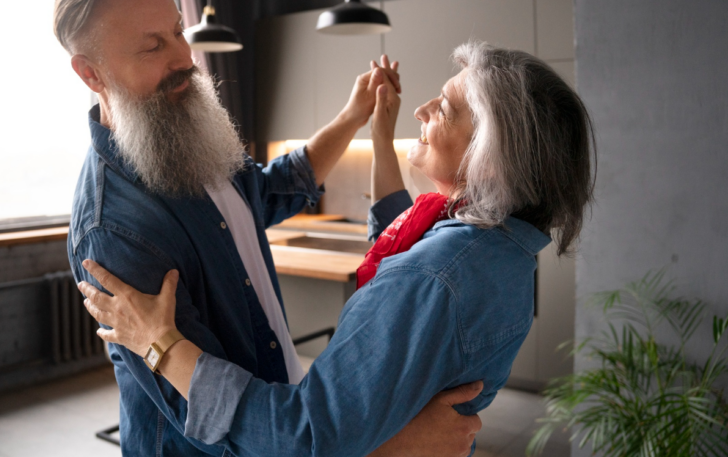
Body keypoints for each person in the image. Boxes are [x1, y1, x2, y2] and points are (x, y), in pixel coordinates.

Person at [77, 41, 597, 457]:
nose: (423, 108)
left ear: (490, 156)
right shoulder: (500, 250)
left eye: (445, 108)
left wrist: (159, 341)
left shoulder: (431, 277)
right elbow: (396, 238)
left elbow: (301, 438)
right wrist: (376, 127)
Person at [56, 0, 482, 456]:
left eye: (177, 31)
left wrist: (353, 116)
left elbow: (271, 189)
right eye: (152, 48)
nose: (184, 59)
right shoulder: (113, 230)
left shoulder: (181, 131)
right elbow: (212, 420)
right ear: (91, 74)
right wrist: (387, 445)